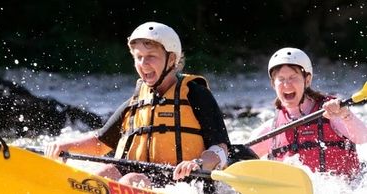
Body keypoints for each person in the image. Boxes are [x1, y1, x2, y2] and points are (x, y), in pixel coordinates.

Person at [44, 21, 231, 189]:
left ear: (172, 59)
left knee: (131, 180)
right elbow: (100, 143)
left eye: (151, 56)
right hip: (142, 179)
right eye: (138, 56)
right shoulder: (134, 104)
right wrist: (63, 146)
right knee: (101, 175)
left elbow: (221, 149)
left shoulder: (197, 95)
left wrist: (198, 164)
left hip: (183, 183)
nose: (143, 63)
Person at [249, 47, 367, 178]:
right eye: (281, 79)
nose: (286, 84)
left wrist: (345, 114)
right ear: (273, 84)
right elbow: (243, 161)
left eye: (293, 77)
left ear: (307, 80)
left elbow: (362, 137)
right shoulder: (271, 129)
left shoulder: (331, 113)